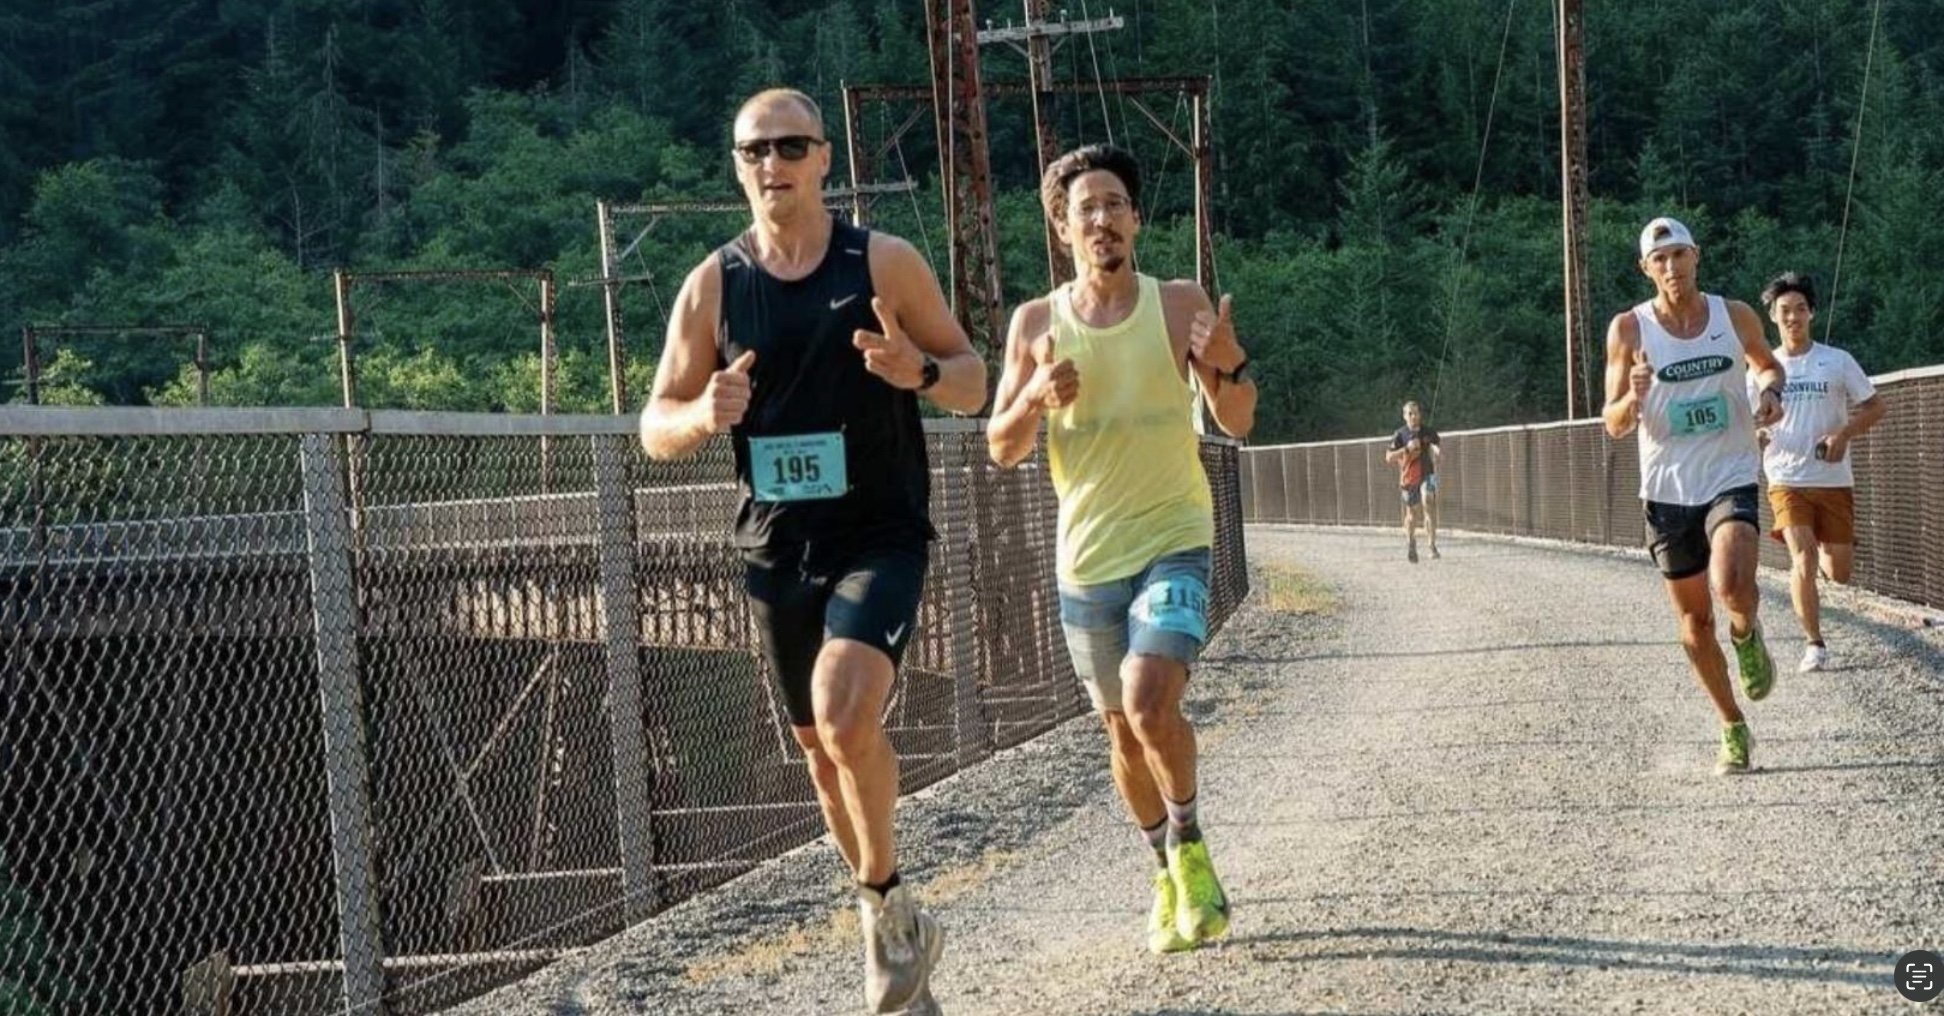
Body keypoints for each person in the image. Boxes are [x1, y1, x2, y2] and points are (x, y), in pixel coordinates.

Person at [638, 87, 986, 1015]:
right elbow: (653, 423)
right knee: (818, 753)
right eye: (756, 149)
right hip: (774, 548)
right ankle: (895, 914)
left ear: (825, 158)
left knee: (842, 711)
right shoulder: (714, 284)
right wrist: (701, 414)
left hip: (880, 533)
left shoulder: (884, 262)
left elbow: (972, 379)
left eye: (792, 146)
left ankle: (884, 916)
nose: (773, 163)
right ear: (738, 166)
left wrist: (917, 372)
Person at [987, 143, 1257, 954]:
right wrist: (1034, 396)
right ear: (1062, 229)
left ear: (1136, 219)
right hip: (1087, 556)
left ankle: (1192, 846)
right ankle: (1163, 868)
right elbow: (1000, 446)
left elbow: (1237, 419)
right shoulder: (1035, 325)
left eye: (1114, 204)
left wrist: (1226, 364)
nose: (1100, 219)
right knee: (1119, 732)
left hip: (1176, 535)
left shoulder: (1177, 304)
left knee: (1148, 699)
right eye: (1084, 209)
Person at [1601, 216, 1786, 776]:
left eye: (1679, 255)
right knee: (1693, 627)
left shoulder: (1734, 316)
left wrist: (1772, 393)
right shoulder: (1629, 330)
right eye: (1659, 260)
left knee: (1732, 584)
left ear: (1696, 256)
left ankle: (1747, 631)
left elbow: (1767, 364)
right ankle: (1731, 723)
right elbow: (1611, 423)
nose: (1671, 268)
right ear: (1645, 269)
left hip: (1729, 472)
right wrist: (1632, 399)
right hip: (1667, 491)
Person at [1749, 272, 1886, 672]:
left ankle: (1827, 558)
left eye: (1800, 310)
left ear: (1812, 313)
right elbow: (1746, 418)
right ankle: (1815, 644)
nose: (1793, 318)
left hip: (1833, 477)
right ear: (1773, 316)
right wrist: (1754, 433)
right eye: (1784, 311)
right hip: (1785, 478)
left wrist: (1843, 434)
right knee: (1802, 558)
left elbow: (1876, 407)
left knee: (1838, 572)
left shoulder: (1836, 360)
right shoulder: (1761, 369)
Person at [1383, 400, 1442, 562]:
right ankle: (1411, 541)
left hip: (1428, 474)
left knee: (1428, 501)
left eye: (1416, 413)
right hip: (1409, 478)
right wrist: (1407, 448)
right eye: (1410, 413)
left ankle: (1432, 545)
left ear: (1420, 414)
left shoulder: (1428, 431)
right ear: (1404, 416)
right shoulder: (1400, 434)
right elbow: (1388, 457)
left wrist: (1437, 451)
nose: (1413, 416)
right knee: (1411, 514)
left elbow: (1437, 445)